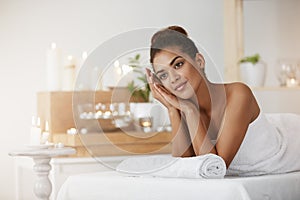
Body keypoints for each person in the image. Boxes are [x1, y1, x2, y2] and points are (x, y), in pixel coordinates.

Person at [146, 25, 262, 168]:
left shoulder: (239, 94)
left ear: (199, 61)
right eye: (163, 75)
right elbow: (185, 167)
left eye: (178, 65)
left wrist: (191, 112)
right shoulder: (184, 109)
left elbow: (214, 168)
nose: (173, 78)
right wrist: (172, 108)